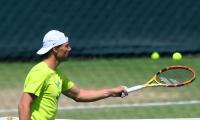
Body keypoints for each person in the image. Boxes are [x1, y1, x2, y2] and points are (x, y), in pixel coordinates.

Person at [18, 30, 128, 120]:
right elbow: (24, 104)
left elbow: (79, 94)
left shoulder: (57, 74)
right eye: (66, 46)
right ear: (55, 49)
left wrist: (110, 92)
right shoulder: (40, 72)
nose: (69, 49)